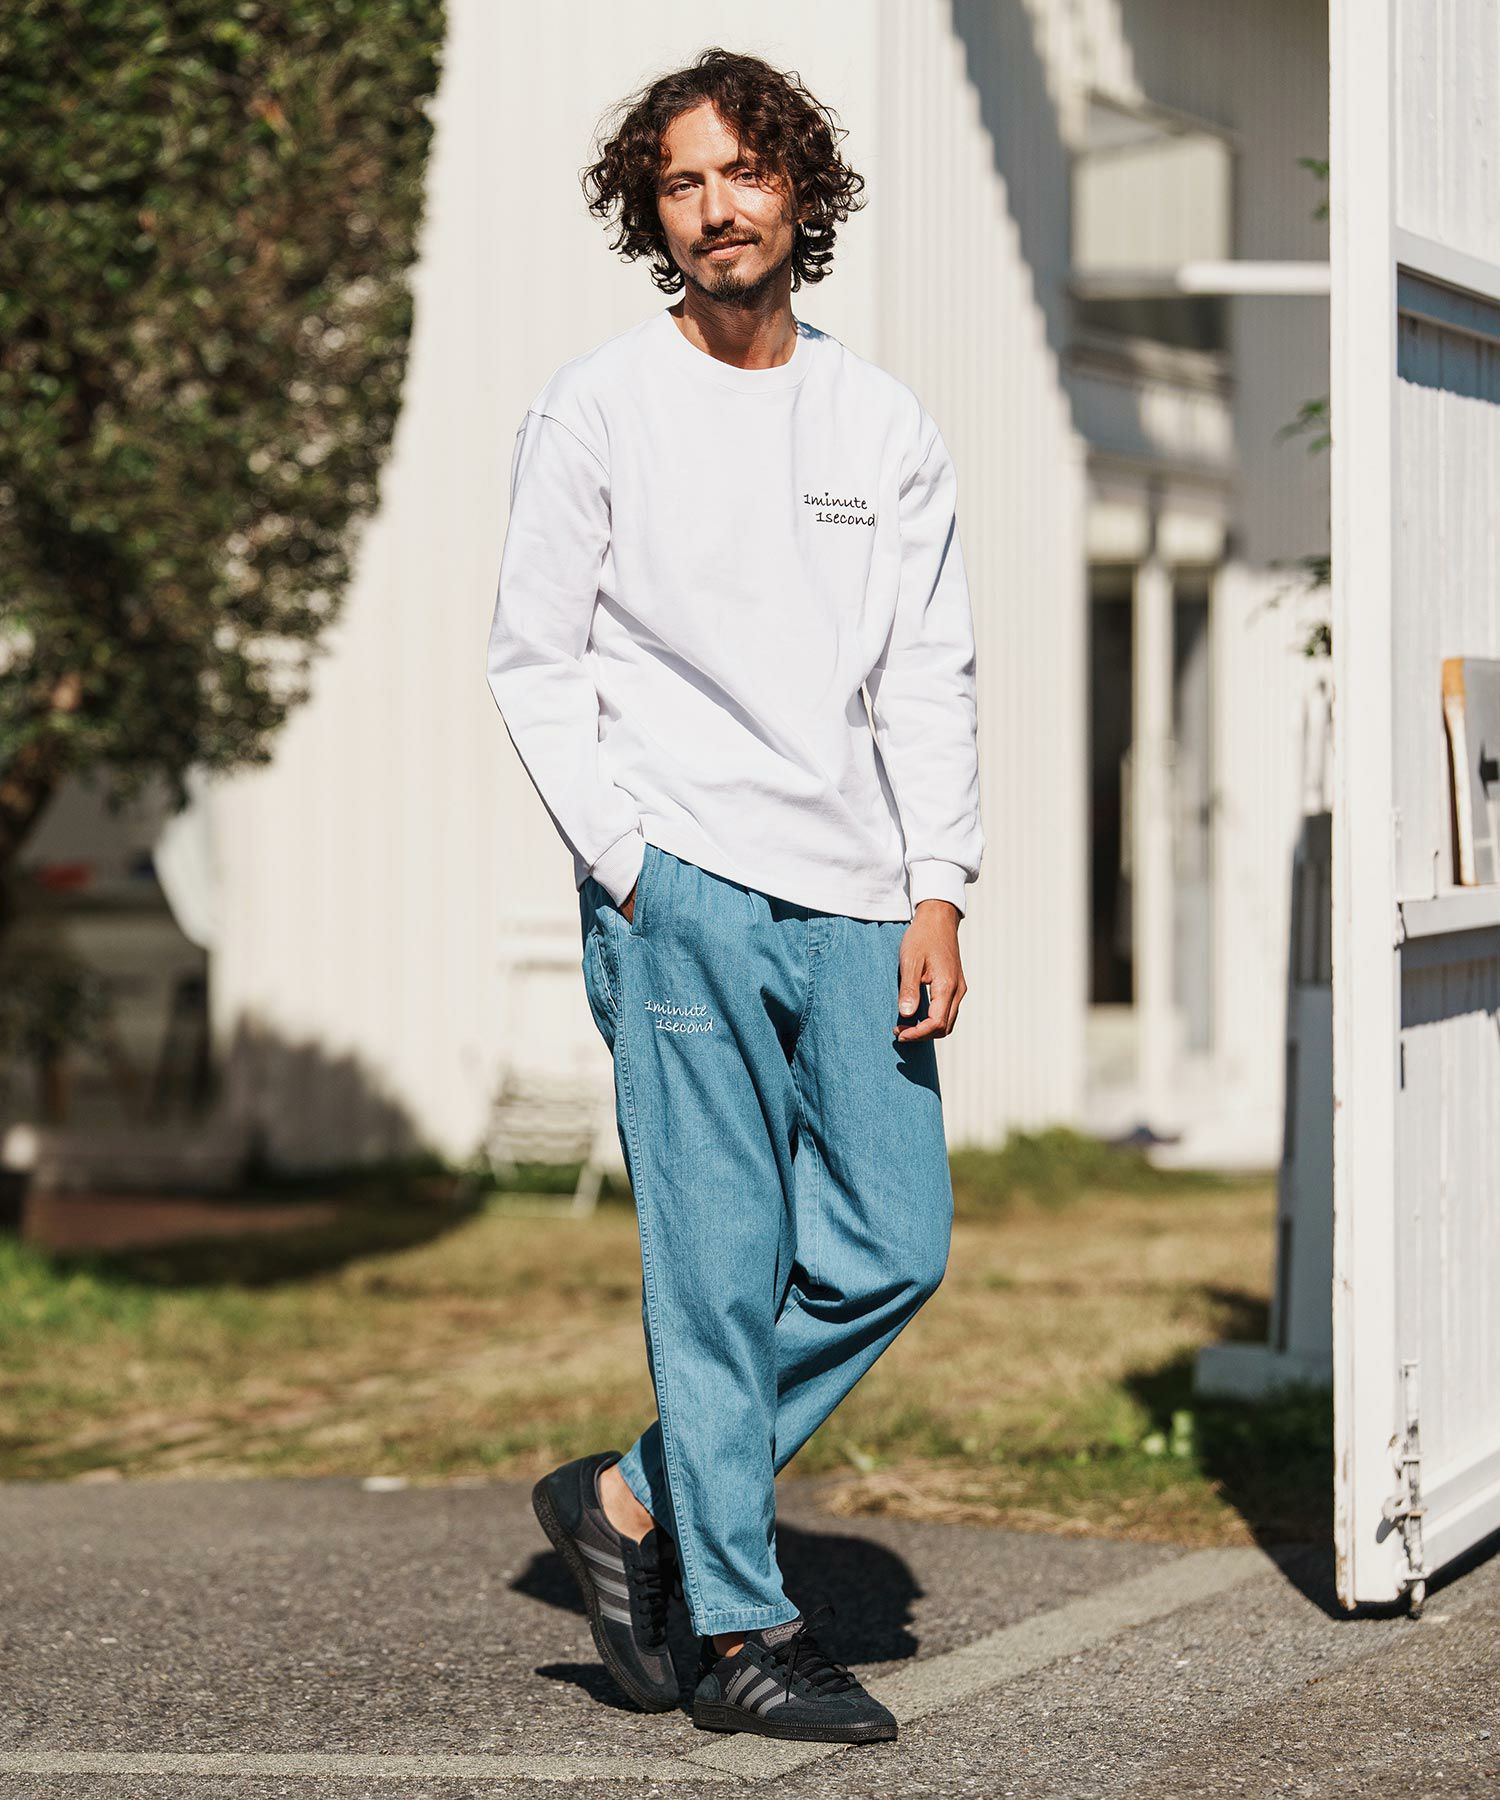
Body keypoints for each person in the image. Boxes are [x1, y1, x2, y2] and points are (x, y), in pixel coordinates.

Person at [485, 45, 983, 1747]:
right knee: (720, 1265)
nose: (716, 209)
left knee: (894, 1243)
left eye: (744, 172)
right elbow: (534, 658)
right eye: (682, 183)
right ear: (655, 214)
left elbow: (928, 672)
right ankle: (746, 1629)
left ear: (799, 191)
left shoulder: (879, 422)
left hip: (860, 894)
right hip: (681, 886)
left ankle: (629, 1499)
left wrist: (939, 886)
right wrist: (631, 868)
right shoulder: (599, 406)